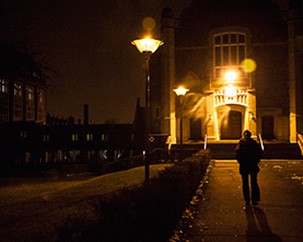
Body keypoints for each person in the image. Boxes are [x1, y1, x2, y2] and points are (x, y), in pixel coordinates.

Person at [235, 130, 262, 206]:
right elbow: (259, 153)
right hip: (249, 165)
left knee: (250, 183)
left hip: (247, 165)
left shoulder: (242, 143)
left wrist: (241, 161)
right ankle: (250, 199)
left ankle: (251, 199)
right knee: (249, 183)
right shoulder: (251, 143)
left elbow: (237, 154)